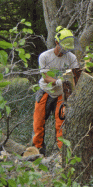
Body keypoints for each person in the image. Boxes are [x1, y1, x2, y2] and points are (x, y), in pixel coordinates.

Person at [32, 26, 79, 156]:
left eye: (68, 48)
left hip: (61, 95)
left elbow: (76, 75)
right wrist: (58, 81)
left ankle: (61, 155)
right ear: (57, 43)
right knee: (38, 122)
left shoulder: (71, 58)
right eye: (63, 47)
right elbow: (45, 77)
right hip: (45, 91)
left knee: (61, 125)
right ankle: (37, 151)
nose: (65, 51)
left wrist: (70, 84)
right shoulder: (45, 56)